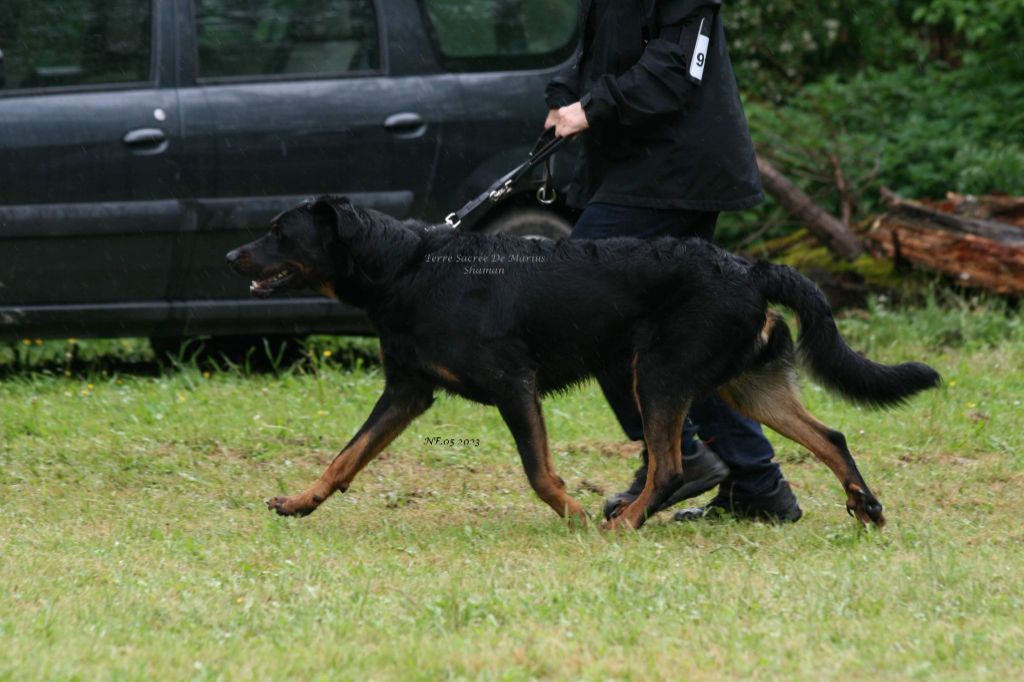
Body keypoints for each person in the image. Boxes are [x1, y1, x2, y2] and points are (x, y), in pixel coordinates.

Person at [543, 0, 801, 522]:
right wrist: (565, 91)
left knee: (586, 303)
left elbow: (678, 69)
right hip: (636, 170)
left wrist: (593, 107)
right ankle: (756, 484)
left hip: (679, 173)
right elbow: (599, 54)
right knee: (686, 339)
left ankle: (681, 454)